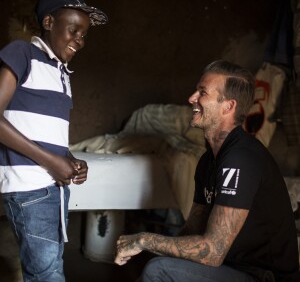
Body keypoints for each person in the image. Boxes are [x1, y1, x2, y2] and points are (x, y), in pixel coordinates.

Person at [114, 60, 300, 282]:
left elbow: (212, 252)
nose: (192, 98)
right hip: (230, 268)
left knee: (159, 270)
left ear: (228, 107)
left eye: (202, 92)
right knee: (160, 265)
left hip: (263, 277)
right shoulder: (208, 160)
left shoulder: (240, 158)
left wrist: (144, 240)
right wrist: (148, 248)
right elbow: (192, 231)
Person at [0, 0, 107, 282]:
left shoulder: (61, 72)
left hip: (54, 189)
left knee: (49, 268)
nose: (79, 41)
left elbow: (46, 134)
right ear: (49, 22)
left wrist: (69, 159)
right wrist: (51, 162)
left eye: (84, 35)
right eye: (74, 30)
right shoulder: (22, 53)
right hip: (30, 188)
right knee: (47, 274)